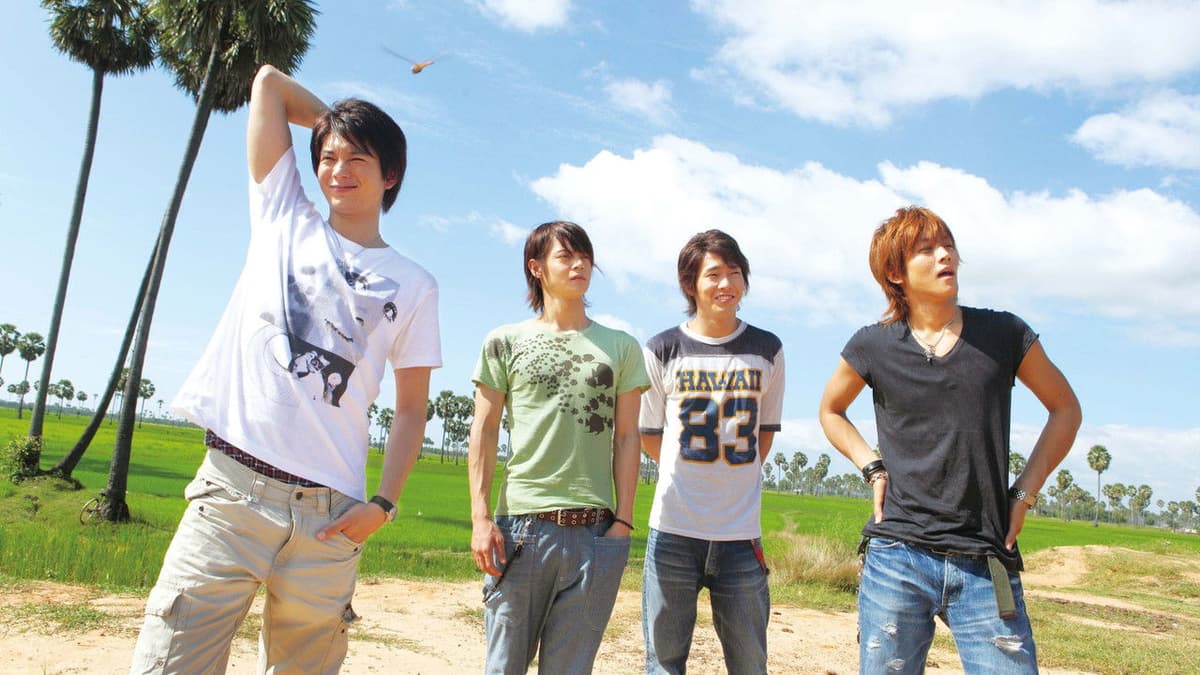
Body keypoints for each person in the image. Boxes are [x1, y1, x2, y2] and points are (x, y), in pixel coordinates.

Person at [131, 64, 441, 673]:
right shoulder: (283, 216)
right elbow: (269, 84)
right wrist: (339, 123)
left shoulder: (415, 284)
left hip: (329, 519)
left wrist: (383, 504)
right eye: (327, 157)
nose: (338, 169)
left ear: (391, 175)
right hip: (230, 495)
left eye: (357, 159)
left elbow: (411, 409)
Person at [817, 206, 1081, 674]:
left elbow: (1066, 409)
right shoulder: (872, 345)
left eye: (948, 245)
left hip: (986, 557)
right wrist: (871, 467)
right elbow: (830, 410)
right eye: (927, 249)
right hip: (897, 556)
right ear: (895, 273)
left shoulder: (1004, 334)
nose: (945, 256)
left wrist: (1024, 491)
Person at [467, 220, 649, 674]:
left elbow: (627, 437)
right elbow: (484, 430)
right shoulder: (504, 342)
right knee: (503, 667)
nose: (579, 264)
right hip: (521, 530)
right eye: (565, 256)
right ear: (537, 268)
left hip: (596, 534)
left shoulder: (621, 347)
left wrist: (623, 522)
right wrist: (481, 518)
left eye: (585, 256)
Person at [639, 230, 785, 675]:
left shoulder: (768, 350)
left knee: (749, 663)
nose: (726, 284)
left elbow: (764, 434)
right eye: (714, 274)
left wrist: (732, 477)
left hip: (740, 535)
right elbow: (649, 434)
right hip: (673, 531)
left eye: (735, 273)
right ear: (691, 284)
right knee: (663, 663)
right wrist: (684, 471)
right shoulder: (662, 349)